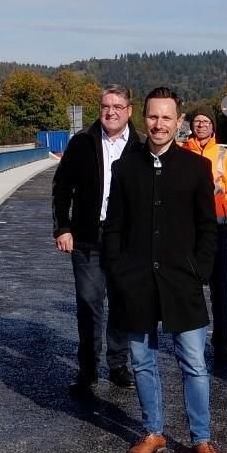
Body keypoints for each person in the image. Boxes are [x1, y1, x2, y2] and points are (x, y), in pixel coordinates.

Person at [102, 87, 223, 453]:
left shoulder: (196, 168)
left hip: (182, 282)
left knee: (194, 363)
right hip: (135, 282)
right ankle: (153, 432)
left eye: (166, 117)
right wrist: (117, 272)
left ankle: (201, 440)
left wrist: (199, 270)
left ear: (178, 121)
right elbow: (114, 227)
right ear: (144, 118)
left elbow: (209, 227)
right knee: (141, 360)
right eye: (153, 117)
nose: (159, 124)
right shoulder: (124, 168)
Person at [52, 85, 144, 395]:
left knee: (120, 304)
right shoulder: (82, 143)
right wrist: (62, 227)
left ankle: (117, 365)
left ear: (129, 110)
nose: (111, 112)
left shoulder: (141, 149)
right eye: (106, 106)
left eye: (118, 106)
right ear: (100, 108)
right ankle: (88, 368)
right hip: (87, 238)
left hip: (125, 242)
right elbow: (61, 187)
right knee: (89, 304)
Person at [182, 110, 227, 368]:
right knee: (189, 287)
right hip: (187, 229)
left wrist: (211, 201)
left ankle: (221, 344)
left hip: (216, 226)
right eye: (197, 122)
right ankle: (189, 341)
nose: (202, 125)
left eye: (206, 122)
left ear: (213, 126)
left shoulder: (225, 155)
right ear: (192, 126)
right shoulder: (182, 151)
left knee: (219, 290)